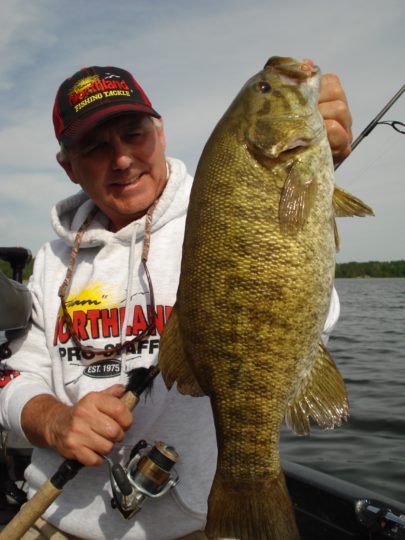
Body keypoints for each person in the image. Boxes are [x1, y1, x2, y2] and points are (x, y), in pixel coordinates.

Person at [0, 62, 352, 540]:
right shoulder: (50, 261)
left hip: (201, 520)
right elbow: (15, 376)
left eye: (133, 134)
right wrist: (55, 421)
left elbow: (310, 310)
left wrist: (313, 180)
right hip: (57, 519)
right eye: (96, 147)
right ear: (68, 165)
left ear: (160, 132)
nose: (122, 158)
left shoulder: (218, 207)